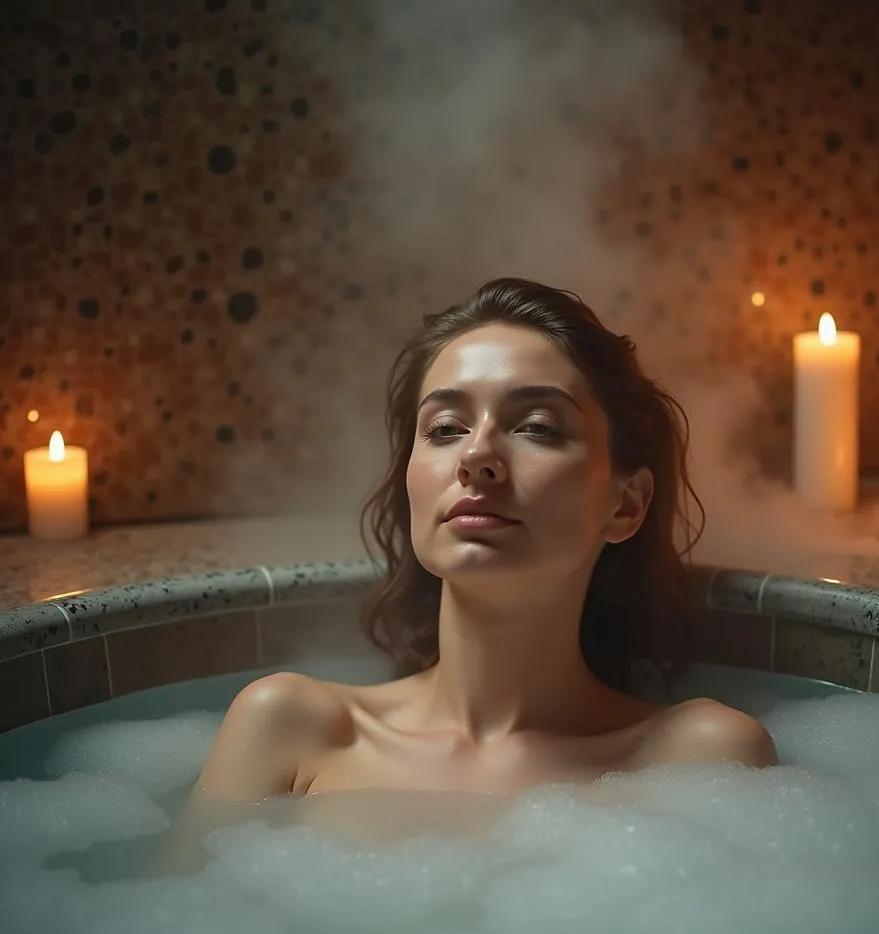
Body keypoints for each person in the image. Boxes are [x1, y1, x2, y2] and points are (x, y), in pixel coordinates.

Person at [159, 278, 777, 867]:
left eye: (537, 427)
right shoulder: (290, 726)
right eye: (445, 429)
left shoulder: (699, 762)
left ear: (626, 504)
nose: (477, 456)